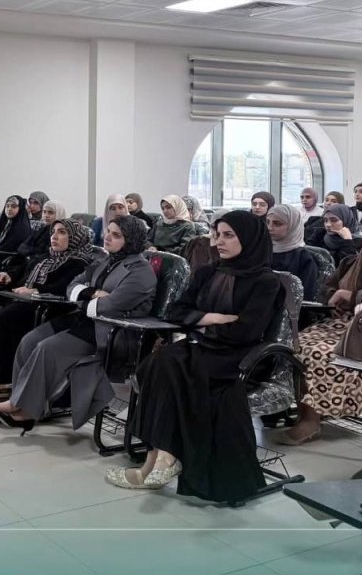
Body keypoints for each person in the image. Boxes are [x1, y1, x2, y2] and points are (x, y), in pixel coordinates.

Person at [104, 211, 283, 503]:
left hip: (239, 357)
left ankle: (158, 464)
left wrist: (197, 321)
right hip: (203, 347)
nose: (219, 241)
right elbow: (176, 312)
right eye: (217, 234)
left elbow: (244, 332)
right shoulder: (208, 272)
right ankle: (160, 460)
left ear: (249, 239)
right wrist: (212, 318)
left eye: (228, 235)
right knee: (156, 364)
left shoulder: (266, 282)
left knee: (171, 365)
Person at [0, 215, 156, 433]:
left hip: (111, 331)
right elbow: (72, 286)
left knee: (47, 348)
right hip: (86, 320)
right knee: (29, 340)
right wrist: (92, 293)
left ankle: (22, 408)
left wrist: (84, 298)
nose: (107, 237)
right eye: (108, 232)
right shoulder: (107, 260)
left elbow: (109, 306)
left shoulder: (141, 272)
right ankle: (28, 404)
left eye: (116, 235)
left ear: (131, 240)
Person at [0, 219, 97, 393]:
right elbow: (23, 270)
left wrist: (36, 290)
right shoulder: (46, 256)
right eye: (53, 232)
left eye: (62, 232)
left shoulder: (79, 263)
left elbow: (65, 287)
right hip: (20, 298)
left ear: (75, 238)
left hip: (43, 306)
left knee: (4, 320)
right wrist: (9, 275)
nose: (54, 236)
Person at [276, 214, 362, 447]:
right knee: (295, 343)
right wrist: (334, 298)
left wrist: (352, 297)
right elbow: (325, 289)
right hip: (342, 324)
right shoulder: (351, 262)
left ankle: (311, 419)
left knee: (320, 353)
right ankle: (307, 413)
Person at [267, 204, 319, 302]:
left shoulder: (303, 258)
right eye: (268, 222)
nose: (269, 227)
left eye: (277, 224)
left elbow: (305, 296)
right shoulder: (261, 250)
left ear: (292, 226)